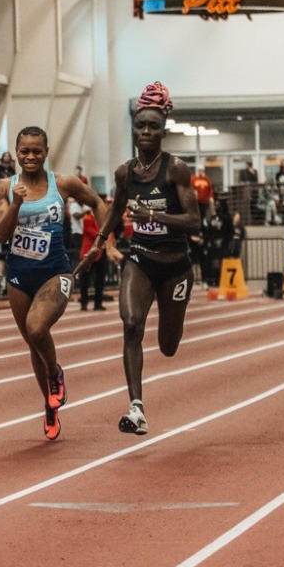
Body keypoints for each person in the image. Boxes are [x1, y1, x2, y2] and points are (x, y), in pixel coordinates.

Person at [86, 82, 201, 438]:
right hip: (141, 259)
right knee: (132, 323)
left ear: (163, 130)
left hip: (176, 266)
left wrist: (156, 214)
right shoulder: (125, 173)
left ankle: (170, 329)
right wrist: (101, 241)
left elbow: (195, 222)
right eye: (140, 126)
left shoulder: (176, 170)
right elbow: (117, 207)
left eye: (153, 126)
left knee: (168, 346)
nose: (146, 132)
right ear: (133, 129)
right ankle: (136, 408)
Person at [0, 126, 106, 441]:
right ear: (16, 152)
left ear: (46, 151)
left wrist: (104, 241)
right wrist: (15, 205)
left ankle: (55, 374)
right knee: (33, 342)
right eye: (25, 151)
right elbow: (1, 235)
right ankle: (50, 406)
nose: (30, 157)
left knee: (37, 328)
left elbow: (97, 202)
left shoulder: (64, 183)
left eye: (36, 151)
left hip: (55, 271)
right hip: (19, 274)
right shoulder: (4, 187)